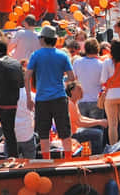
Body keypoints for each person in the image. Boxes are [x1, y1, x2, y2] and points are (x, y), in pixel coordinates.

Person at [25, 26, 75, 159]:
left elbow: (27, 76)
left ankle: (46, 160)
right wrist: (60, 79)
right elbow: (72, 77)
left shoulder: (36, 55)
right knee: (65, 131)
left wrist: (29, 98)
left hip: (42, 99)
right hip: (59, 97)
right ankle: (68, 159)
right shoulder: (62, 55)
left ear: (43, 39)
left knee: (43, 133)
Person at [66, 81, 108, 155]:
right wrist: (99, 122)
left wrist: (98, 121)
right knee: (98, 134)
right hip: (72, 134)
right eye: (79, 89)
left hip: (74, 131)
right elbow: (79, 123)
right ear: (72, 91)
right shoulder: (70, 104)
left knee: (97, 130)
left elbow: (81, 117)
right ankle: (96, 157)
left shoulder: (74, 102)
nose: (82, 91)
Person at [72, 38, 105, 119]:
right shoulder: (102, 64)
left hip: (81, 100)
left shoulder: (77, 62)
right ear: (97, 49)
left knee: (83, 129)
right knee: (97, 129)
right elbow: (104, 83)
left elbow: (73, 80)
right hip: (96, 100)